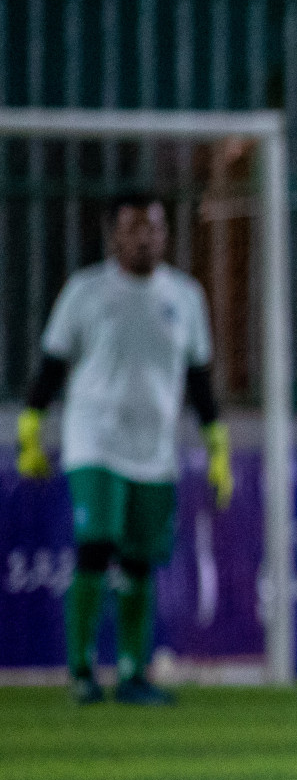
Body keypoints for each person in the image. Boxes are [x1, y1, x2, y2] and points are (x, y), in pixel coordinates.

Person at [15, 192, 233, 706]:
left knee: (140, 560)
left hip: (155, 450)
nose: (147, 238)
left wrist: (217, 445)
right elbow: (50, 366)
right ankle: (81, 671)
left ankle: (134, 672)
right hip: (94, 440)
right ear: (115, 234)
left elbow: (199, 381)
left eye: (155, 228)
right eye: (136, 228)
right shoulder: (86, 291)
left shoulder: (184, 296)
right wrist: (30, 428)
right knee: (96, 545)